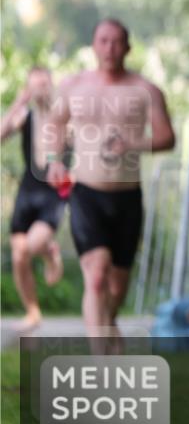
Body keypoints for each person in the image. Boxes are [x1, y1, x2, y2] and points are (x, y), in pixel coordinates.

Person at [45, 18, 175, 340]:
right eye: (103, 41)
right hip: (86, 192)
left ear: (128, 47)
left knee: (116, 287)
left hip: (127, 196)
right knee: (97, 277)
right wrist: (53, 163)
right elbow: (55, 126)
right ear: (93, 45)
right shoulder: (73, 86)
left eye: (117, 42)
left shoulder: (146, 90)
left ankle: (107, 328)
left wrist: (133, 144)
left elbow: (166, 137)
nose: (110, 48)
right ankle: (101, 361)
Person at [1, 67, 67, 331]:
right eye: (34, 85)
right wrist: (18, 103)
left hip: (53, 190)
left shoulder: (63, 114)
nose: (40, 89)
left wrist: (56, 163)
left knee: (30, 246)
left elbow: (60, 145)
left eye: (44, 84)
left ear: (51, 84)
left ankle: (50, 252)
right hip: (28, 190)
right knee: (19, 256)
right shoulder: (24, 116)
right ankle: (33, 312)